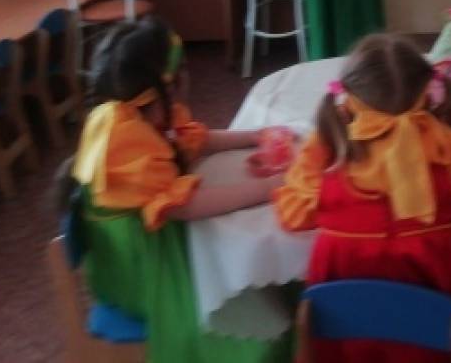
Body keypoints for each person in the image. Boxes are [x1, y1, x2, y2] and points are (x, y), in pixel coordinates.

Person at [62, 18, 291, 363]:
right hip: (141, 271)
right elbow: (186, 206)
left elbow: (193, 140)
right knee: (256, 336)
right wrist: (269, 187)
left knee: (261, 278)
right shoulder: (125, 139)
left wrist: (254, 136)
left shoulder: (142, 114)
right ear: (167, 90)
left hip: (150, 246)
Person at [273, 33, 451, 363]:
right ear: (428, 93)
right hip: (440, 345)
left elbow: (293, 215)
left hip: (349, 346)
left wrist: (324, 142)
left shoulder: (323, 171)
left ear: (347, 100)